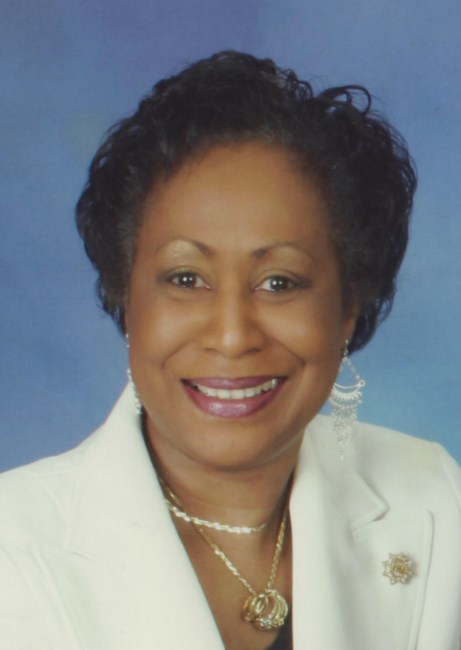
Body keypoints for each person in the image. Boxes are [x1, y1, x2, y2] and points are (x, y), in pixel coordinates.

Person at [0, 50, 460, 650]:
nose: (233, 335)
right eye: (186, 278)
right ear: (124, 295)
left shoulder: (435, 501)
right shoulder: (13, 545)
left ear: (348, 306)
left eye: (280, 283)